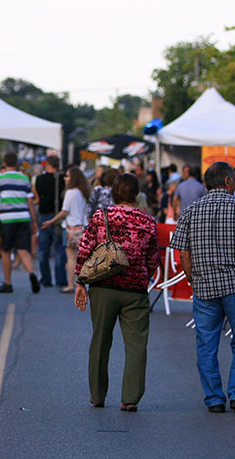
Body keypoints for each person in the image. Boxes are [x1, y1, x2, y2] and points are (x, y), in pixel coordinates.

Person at [171, 162, 235, 413]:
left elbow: (182, 251)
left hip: (204, 287)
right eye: (234, 179)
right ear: (227, 181)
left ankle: (214, 398)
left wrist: (192, 277)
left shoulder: (191, 210)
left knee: (206, 344)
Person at [74, 173, 159, 412]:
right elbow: (153, 259)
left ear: (113, 192)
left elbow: (85, 248)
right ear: (136, 194)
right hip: (136, 291)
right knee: (136, 345)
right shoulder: (148, 221)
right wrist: (140, 275)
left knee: (100, 341)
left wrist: (80, 282)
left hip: (103, 287)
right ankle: (130, 397)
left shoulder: (101, 217)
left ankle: (97, 395)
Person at [0, 152, 41, 295]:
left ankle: (8, 282)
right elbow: (30, 201)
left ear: (4, 163)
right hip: (23, 217)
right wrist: (34, 221)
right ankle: (32, 274)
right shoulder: (24, 179)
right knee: (23, 249)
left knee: (6, 250)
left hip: (6, 218)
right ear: (17, 163)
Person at [41, 167, 91, 292]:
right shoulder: (84, 192)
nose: (65, 178)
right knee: (82, 259)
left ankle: (70, 284)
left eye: (67, 176)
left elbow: (65, 211)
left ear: (73, 178)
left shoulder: (70, 193)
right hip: (83, 227)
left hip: (70, 228)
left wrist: (51, 221)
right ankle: (82, 283)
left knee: (71, 259)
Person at [33, 154, 66, 288]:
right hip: (58, 216)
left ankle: (46, 279)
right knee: (59, 248)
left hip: (44, 215)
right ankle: (60, 279)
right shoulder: (63, 179)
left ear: (47, 165)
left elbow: (38, 195)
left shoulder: (40, 179)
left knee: (43, 249)